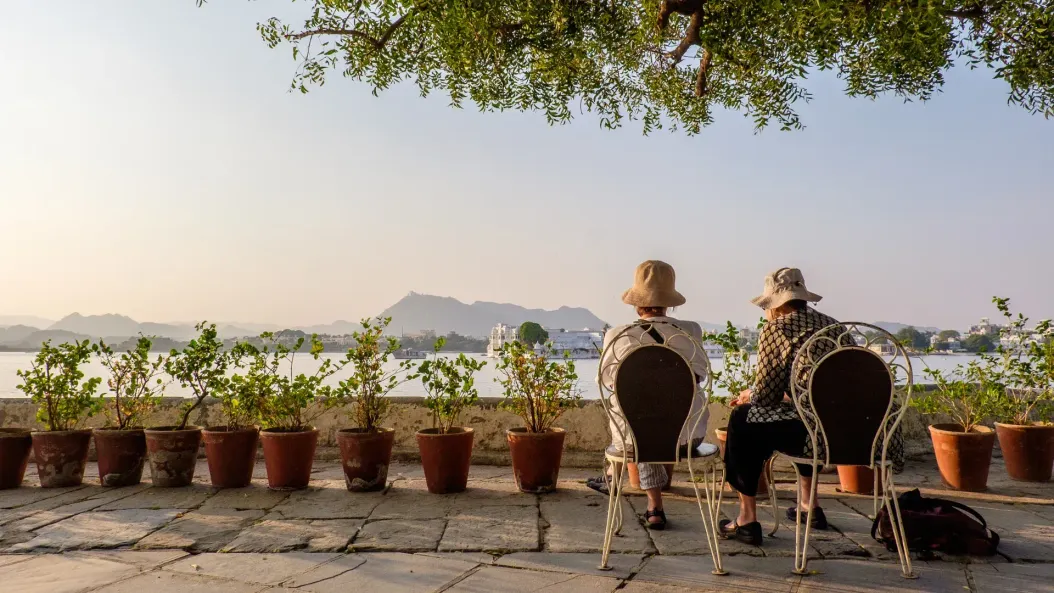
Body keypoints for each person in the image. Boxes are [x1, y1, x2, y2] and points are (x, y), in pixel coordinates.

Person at [719, 268, 904, 545]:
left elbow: (767, 397)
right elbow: (834, 387)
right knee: (804, 415)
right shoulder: (834, 326)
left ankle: (746, 519)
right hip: (860, 435)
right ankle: (809, 506)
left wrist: (749, 394)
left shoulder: (776, 328)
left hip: (812, 438)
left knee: (742, 420)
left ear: (775, 305)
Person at [586, 260, 714, 531]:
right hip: (687, 438)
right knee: (653, 422)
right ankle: (644, 499)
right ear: (669, 301)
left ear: (636, 302)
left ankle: (649, 502)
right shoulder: (690, 331)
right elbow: (700, 375)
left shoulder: (618, 334)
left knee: (637, 419)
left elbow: (609, 381)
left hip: (633, 441)